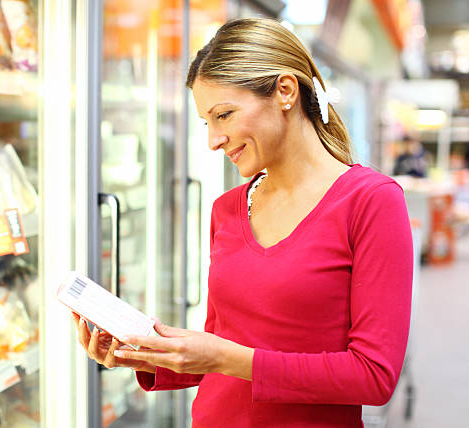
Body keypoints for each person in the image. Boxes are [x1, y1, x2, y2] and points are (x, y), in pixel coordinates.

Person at [72, 18, 413, 427]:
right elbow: (223, 350)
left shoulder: (371, 201)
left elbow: (373, 377)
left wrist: (227, 358)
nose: (213, 140)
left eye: (224, 115)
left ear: (285, 91)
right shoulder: (228, 208)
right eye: (207, 123)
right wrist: (143, 352)